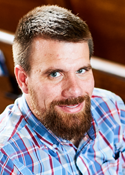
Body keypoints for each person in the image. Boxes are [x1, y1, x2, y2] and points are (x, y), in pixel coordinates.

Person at [0, 5, 125, 175]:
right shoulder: (7, 159)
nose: (75, 91)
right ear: (23, 79)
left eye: (81, 70)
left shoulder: (113, 109)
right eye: (55, 74)